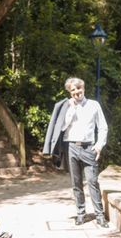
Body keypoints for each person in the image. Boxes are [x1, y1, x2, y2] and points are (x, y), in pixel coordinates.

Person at [43, 77, 109, 227]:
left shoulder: (94, 105)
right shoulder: (66, 106)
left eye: (79, 88)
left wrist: (99, 145)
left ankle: (100, 216)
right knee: (76, 183)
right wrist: (71, 110)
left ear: (83, 88)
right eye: (73, 90)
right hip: (71, 147)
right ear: (70, 92)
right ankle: (81, 214)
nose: (76, 92)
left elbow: (103, 127)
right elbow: (61, 128)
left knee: (92, 181)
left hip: (89, 148)